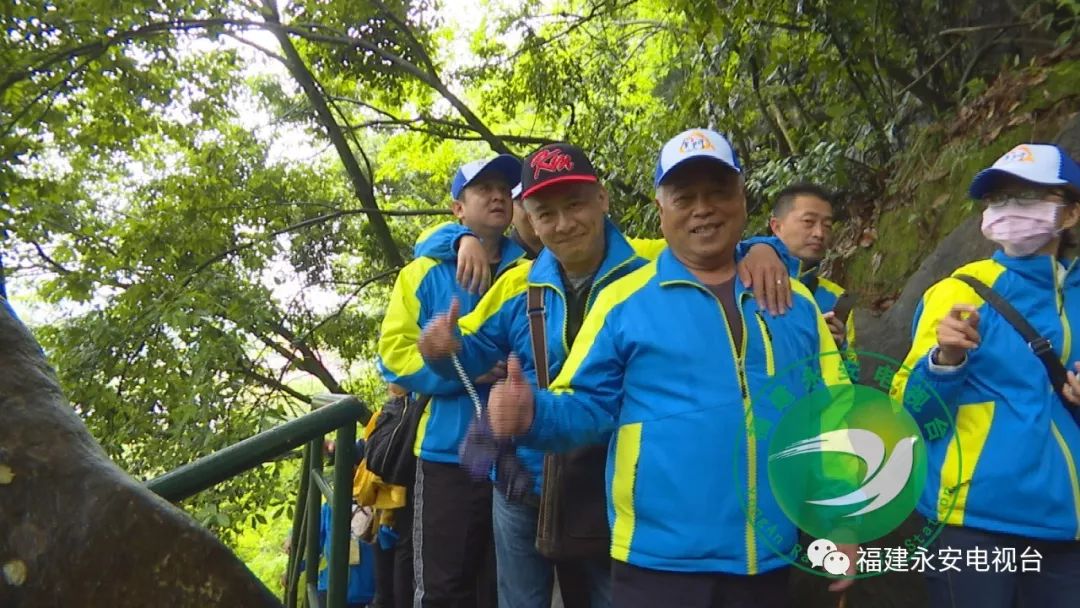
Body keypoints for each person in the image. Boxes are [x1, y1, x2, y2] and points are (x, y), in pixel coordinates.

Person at [483, 128, 855, 608]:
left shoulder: (794, 302)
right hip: (656, 563)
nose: (703, 209)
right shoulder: (622, 302)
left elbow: (832, 412)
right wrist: (531, 414)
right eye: (684, 197)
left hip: (769, 557)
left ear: (742, 200)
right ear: (662, 212)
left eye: (718, 193)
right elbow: (587, 406)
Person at [414, 142, 794, 608]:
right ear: (529, 219)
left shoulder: (647, 265)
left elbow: (709, 246)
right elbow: (473, 352)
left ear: (602, 199)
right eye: (546, 213)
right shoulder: (518, 283)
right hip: (523, 480)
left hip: (607, 485)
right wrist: (441, 350)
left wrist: (763, 249)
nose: (564, 223)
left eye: (575, 205)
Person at [890, 143, 1080, 608]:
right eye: (999, 198)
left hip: (1065, 522)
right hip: (972, 519)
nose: (1009, 208)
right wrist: (944, 360)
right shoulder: (956, 291)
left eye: (1027, 195)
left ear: (1071, 213)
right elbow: (910, 412)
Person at [377, 154, 526, 608]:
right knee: (443, 590)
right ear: (458, 209)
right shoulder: (423, 274)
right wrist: (461, 373)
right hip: (449, 455)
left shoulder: (532, 269)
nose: (497, 196)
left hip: (522, 454)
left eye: (503, 189)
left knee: (509, 591)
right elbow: (394, 358)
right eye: (484, 190)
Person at [767, 183, 854, 351]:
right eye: (808, 222)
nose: (819, 233)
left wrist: (839, 349)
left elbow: (851, 366)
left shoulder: (836, 298)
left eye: (827, 225)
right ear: (777, 227)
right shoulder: (748, 283)